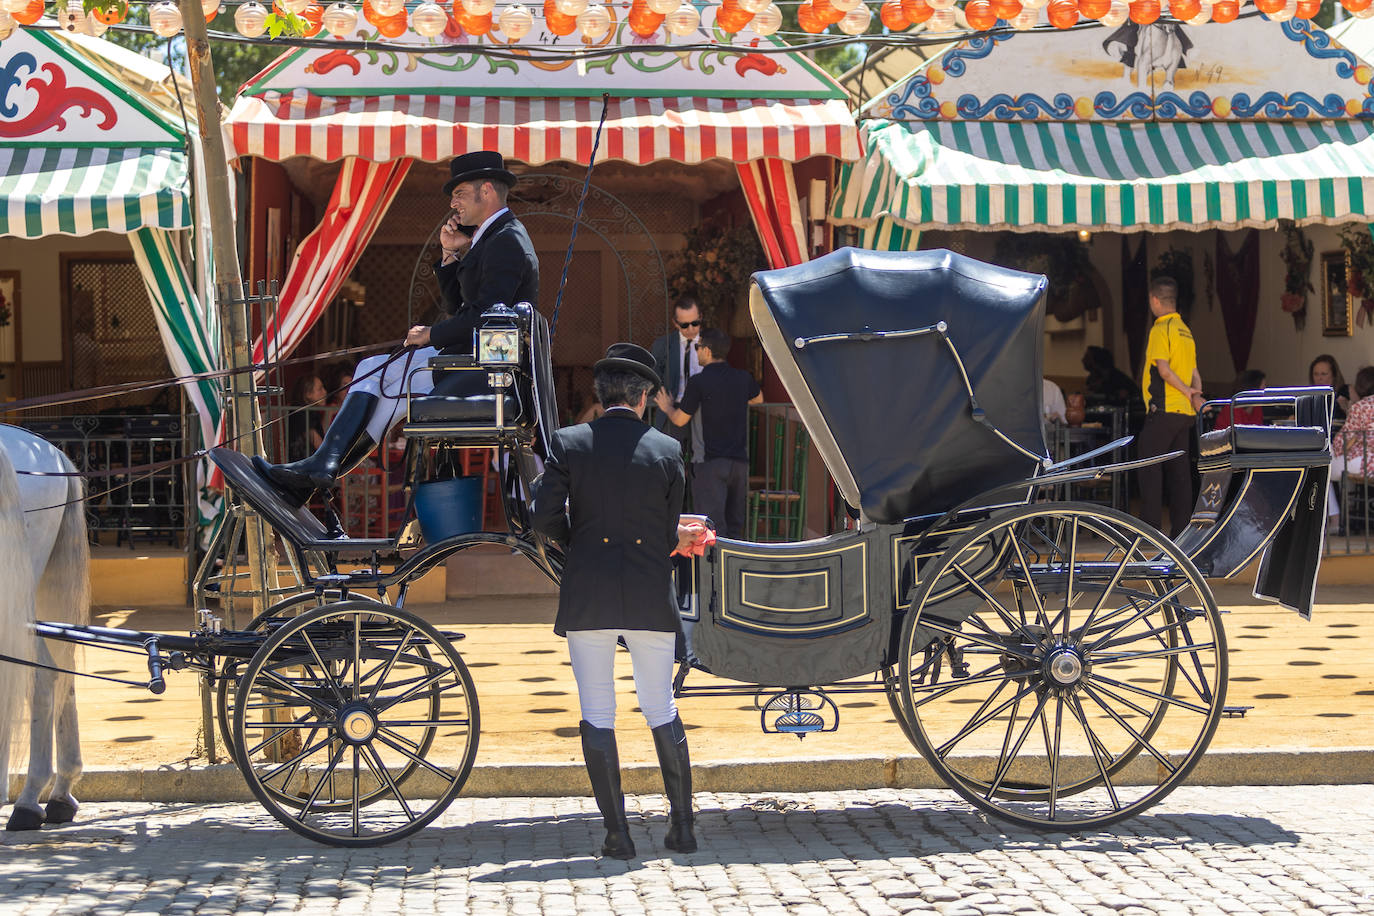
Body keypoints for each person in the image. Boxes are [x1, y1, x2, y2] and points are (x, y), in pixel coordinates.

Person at [256, 151, 539, 500]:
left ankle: (324, 467)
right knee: (380, 377)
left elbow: (483, 316)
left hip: (485, 371)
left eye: (459, 193)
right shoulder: (496, 237)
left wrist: (431, 334)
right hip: (478, 363)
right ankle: (323, 470)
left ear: (486, 191)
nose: (453, 203)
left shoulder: (505, 240)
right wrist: (450, 256)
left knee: (379, 374)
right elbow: (463, 308)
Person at [531, 343, 700, 860]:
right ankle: (683, 829)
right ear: (645, 398)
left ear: (600, 399)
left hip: (589, 589)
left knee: (598, 712)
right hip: (650, 589)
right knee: (660, 706)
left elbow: (542, 520)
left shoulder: (568, 441)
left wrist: (574, 540)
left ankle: (617, 836)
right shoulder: (668, 450)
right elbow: (670, 524)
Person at [654, 328, 762, 539]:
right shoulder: (742, 378)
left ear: (707, 350)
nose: (696, 352)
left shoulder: (699, 382)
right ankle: (733, 570)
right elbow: (759, 399)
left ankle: (713, 571)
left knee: (711, 525)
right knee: (735, 524)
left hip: (709, 464)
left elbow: (680, 419)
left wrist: (667, 407)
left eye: (697, 347)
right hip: (739, 463)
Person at [1137, 276, 1204, 538]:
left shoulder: (1160, 328)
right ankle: (1182, 530)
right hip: (1184, 413)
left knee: (1148, 465)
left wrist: (1187, 391)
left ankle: (1149, 528)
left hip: (1164, 409)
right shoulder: (1185, 331)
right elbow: (1195, 372)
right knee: (1180, 474)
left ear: (1155, 300)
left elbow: (1163, 371)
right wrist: (1196, 396)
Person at [650, 296, 706, 463]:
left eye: (695, 323)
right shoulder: (663, 345)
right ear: (675, 323)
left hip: (703, 409)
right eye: (684, 325)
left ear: (700, 317)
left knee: (701, 461)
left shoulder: (710, 342)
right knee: (669, 460)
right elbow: (652, 375)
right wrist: (661, 394)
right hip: (673, 406)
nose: (690, 329)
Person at [1330, 366, 1374, 527]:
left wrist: (1351, 406)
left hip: (1364, 463)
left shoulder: (1361, 407)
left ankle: (1335, 520)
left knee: (1320, 467)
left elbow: (1340, 444)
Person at [285, 373, 326, 461]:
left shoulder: (310, 410)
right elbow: (318, 444)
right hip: (303, 463)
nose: (325, 392)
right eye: (320, 389)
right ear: (308, 394)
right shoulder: (302, 412)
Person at [1309, 354, 1352, 423]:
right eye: (1316, 374)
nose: (1319, 378)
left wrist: (1347, 409)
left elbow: (1361, 420)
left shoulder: (1347, 390)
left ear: (1334, 375)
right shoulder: (1308, 396)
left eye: (1324, 374)